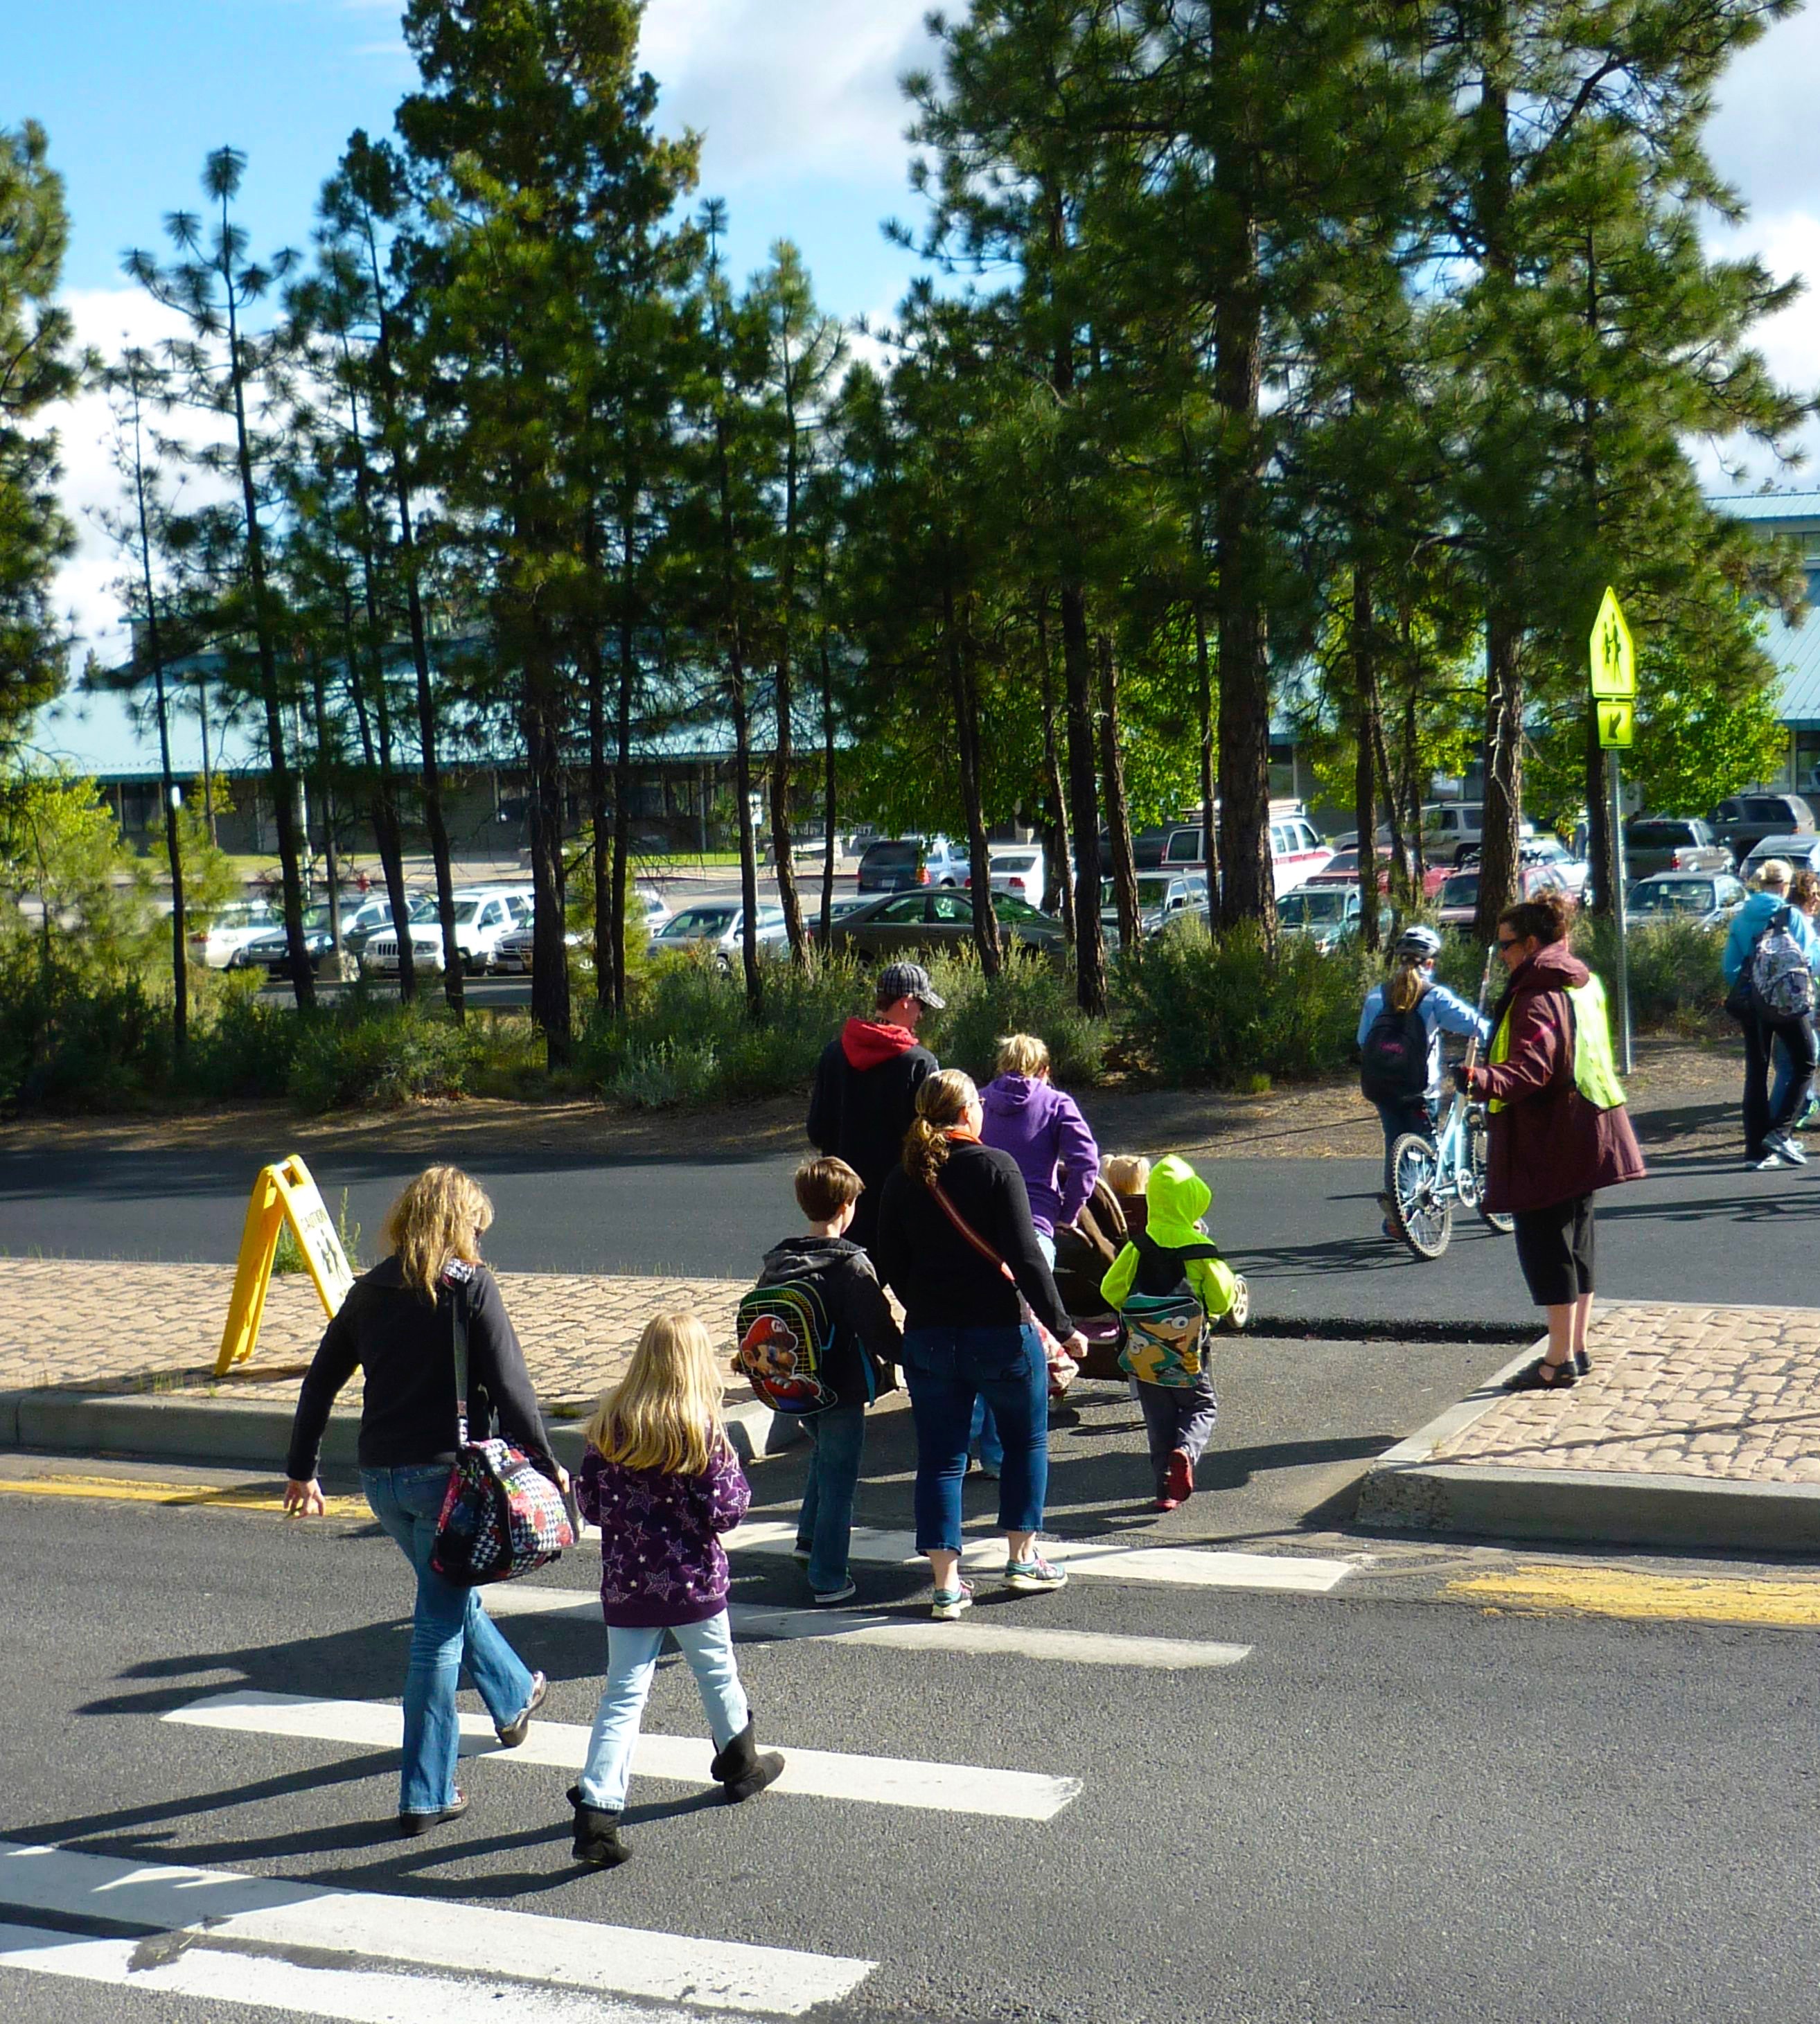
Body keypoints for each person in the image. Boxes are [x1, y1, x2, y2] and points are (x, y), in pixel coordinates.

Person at [283, 1166, 559, 1836]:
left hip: (382, 1481)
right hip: (449, 1485)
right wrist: (548, 1466)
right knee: (435, 1631)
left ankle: (514, 1693)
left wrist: (302, 1470)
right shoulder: (469, 1289)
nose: (479, 1241)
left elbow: (319, 1384)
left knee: (449, 1594)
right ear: (457, 1223)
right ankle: (426, 1793)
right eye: (475, 1227)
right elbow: (513, 1389)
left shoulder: (368, 1291)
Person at [568, 1311, 784, 1870]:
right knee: (716, 1671)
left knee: (623, 1695)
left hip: (626, 1584)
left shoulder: (608, 1425)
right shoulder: (701, 1430)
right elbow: (727, 1510)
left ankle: (597, 1810)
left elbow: (590, 1505)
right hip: (693, 1582)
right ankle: (740, 1765)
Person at [876, 1070, 1088, 1619]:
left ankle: (946, 1585)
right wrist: (1063, 1327)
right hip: (998, 1332)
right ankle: (1022, 1559)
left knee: (941, 1461)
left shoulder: (901, 1177)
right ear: (968, 1111)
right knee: (1023, 1443)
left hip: (928, 1336)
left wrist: (923, 1302)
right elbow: (1025, 1257)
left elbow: (891, 1264)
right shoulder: (996, 1167)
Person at [1458, 891, 1645, 1390]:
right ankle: (1575, 1349)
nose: (1501, 955)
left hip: (1550, 1138)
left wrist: (1481, 1080)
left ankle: (1557, 1359)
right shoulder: (1580, 981)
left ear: (1533, 942)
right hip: (1589, 1127)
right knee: (1577, 1242)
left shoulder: (1537, 992)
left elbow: (1532, 1068)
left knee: (1547, 1248)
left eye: (1507, 945)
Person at [748, 1156, 902, 1606]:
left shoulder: (779, 1261)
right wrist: (913, 1357)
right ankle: (828, 1578)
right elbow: (880, 1331)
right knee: (840, 1480)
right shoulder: (850, 1265)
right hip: (839, 1388)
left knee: (824, 1461)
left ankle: (809, 1541)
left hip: (792, 1386)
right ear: (846, 1206)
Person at [972, 1033, 1101, 1475]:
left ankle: (972, 1435)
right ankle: (1002, 1452)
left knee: (982, 1332)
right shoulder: (1056, 1103)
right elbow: (1086, 1161)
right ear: (1044, 1069)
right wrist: (1068, 1211)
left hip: (978, 1232)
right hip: (1035, 1229)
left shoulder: (979, 1102)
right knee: (1018, 1340)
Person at [1099, 1155, 1237, 1511]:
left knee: (1158, 1420)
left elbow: (1111, 1289)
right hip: (1189, 1350)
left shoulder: (1139, 1245)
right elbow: (1222, 1297)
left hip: (1144, 1352)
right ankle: (1186, 1452)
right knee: (1201, 1405)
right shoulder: (1199, 1248)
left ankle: (1165, 1491)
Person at [807, 962, 942, 1257]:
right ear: (906, 1002)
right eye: (921, 1005)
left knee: (851, 1289)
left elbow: (816, 1130)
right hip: (899, 1204)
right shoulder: (920, 1063)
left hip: (844, 1202)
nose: (921, 1015)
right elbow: (930, 1144)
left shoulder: (833, 1054)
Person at [1358, 926, 1490, 1216]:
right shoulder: (1434, 997)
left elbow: (1363, 1041)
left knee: (1396, 1145)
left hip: (1381, 1087)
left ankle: (1397, 1210)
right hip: (1420, 1089)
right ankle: (1417, 1207)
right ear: (1429, 963)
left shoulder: (1376, 997)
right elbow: (1476, 1025)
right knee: (1425, 1147)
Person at [1722, 858, 1820, 1169]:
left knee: (1756, 1073)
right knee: (1806, 1061)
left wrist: (1754, 991)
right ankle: (1781, 1132)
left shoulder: (1740, 918)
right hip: (1788, 1004)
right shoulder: (1791, 915)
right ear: (1784, 885)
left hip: (1754, 1006)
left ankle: (1755, 1151)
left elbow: (1730, 967)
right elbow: (1809, 961)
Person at [1769, 867, 1820, 1142]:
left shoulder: (1790, 918)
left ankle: (1782, 1123)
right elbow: (1807, 961)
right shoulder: (1798, 920)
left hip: (1783, 1000)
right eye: (1812, 893)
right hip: (1796, 1001)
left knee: (1794, 1063)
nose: (1817, 899)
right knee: (1796, 1064)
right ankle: (1776, 1131)